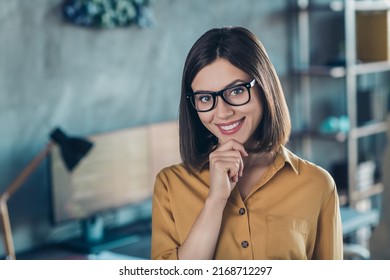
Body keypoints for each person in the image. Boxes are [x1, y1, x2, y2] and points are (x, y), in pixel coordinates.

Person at [151, 26, 343, 260]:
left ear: (264, 87)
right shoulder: (170, 185)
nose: (222, 113)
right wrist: (216, 200)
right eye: (204, 98)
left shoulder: (317, 185)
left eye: (236, 91)